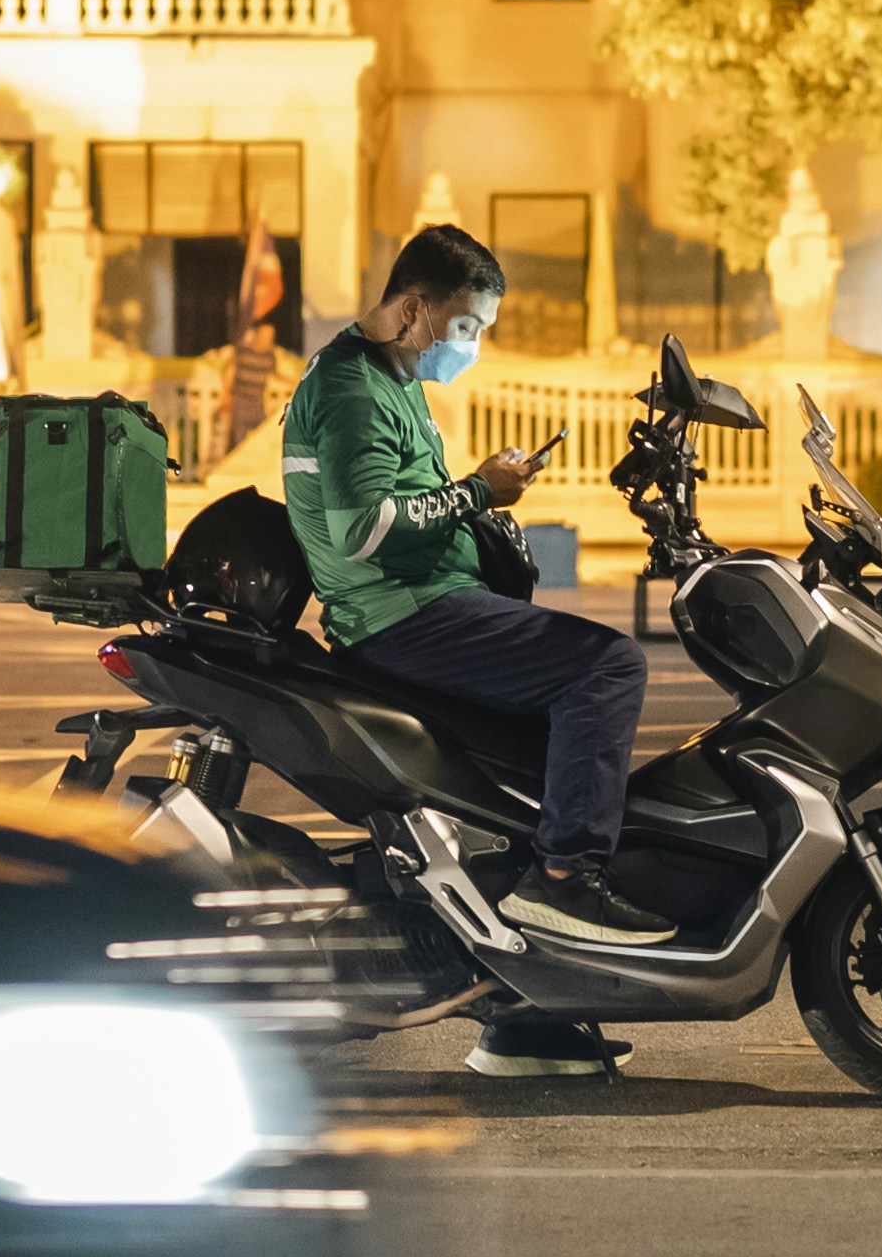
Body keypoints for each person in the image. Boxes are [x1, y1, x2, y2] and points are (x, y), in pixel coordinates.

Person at [280, 224, 670, 958]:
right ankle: (562, 876)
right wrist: (476, 493)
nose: (471, 345)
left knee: (546, 761)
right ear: (412, 308)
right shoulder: (352, 389)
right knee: (609, 665)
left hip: (423, 599)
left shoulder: (391, 376)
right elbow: (363, 529)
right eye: (465, 326)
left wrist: (479, 491)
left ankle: (531, 1007)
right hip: (401, 614)